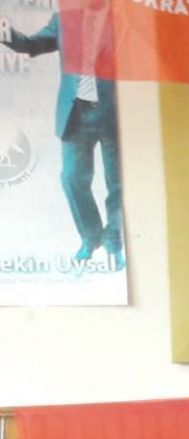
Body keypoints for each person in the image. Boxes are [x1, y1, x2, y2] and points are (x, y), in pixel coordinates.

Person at [2, 4, 124, 270]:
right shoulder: (63, 20)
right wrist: (4, 31)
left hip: (115, 113)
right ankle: (91, 236)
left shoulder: (123, 19)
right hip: (75, 114)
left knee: (118, 183)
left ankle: (114, 241)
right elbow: (31, 45)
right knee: (72, 178)